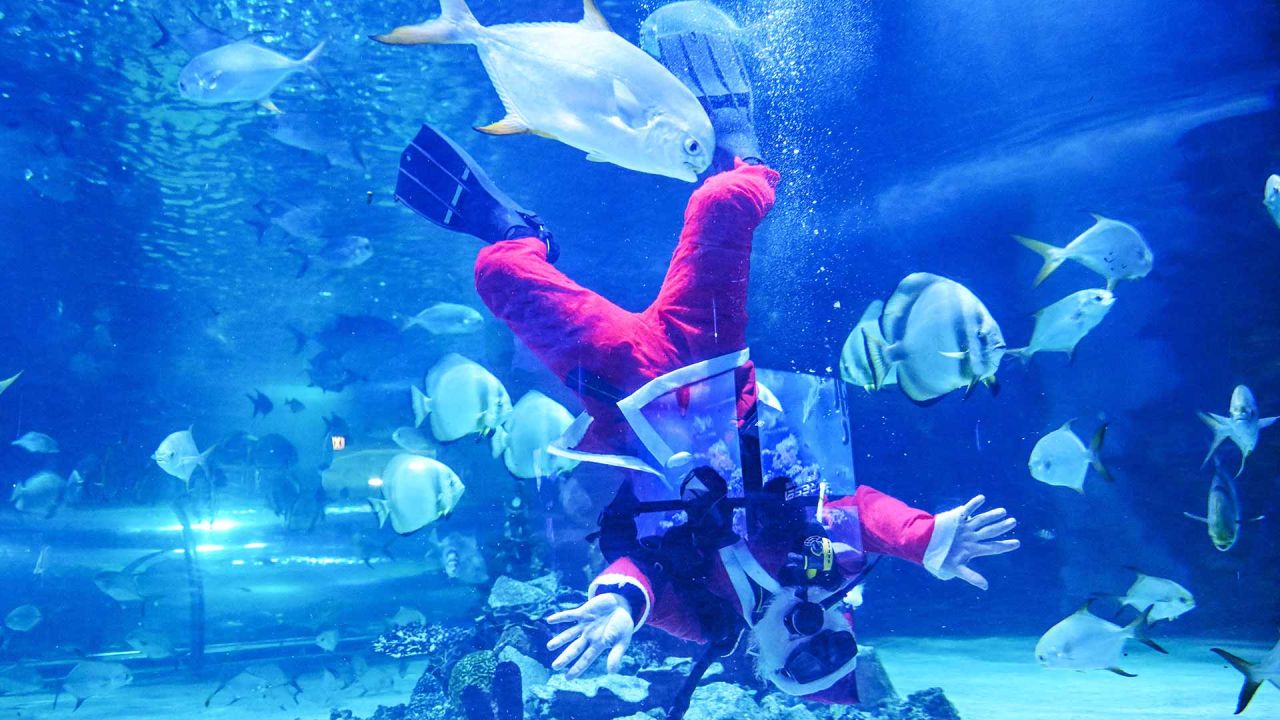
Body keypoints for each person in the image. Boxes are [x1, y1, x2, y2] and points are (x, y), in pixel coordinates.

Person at [393, 31, 1019, 705]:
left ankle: (520, 233)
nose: (812, 640)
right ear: (847, 623)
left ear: (766, 666)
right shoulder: (823, 565)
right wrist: (924, 538)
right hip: (712, 364)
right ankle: (739, 145)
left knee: (498, 276)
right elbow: (857, 512)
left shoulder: (712, 625)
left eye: (802, 665)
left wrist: (617, 605)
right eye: (835, 647)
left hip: (626, 394)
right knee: (721, 204)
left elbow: (646, 582)